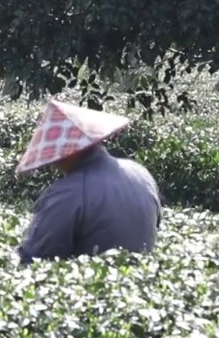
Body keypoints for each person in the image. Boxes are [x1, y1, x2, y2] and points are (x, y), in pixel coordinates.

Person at [14, 100, 162, 265]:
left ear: (69, 153)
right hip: (143, 283)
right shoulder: (140, 173)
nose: (53, 164)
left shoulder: (67, 193)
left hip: (94, 286)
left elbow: (35, 257)